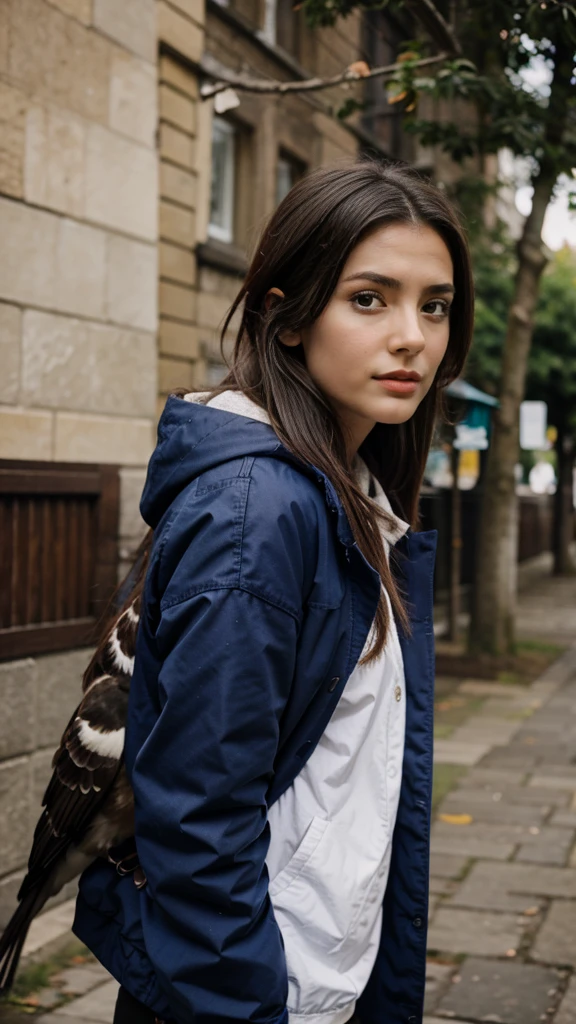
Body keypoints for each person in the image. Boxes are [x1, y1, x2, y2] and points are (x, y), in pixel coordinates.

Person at [73, 159, 474, 1024]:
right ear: (285, 318)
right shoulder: (262, 512)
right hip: (256, 991)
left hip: (313, 970)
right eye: (369, 298)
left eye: (434, 305)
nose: (412, 336)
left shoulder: (344, 493)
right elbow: (198, 820)